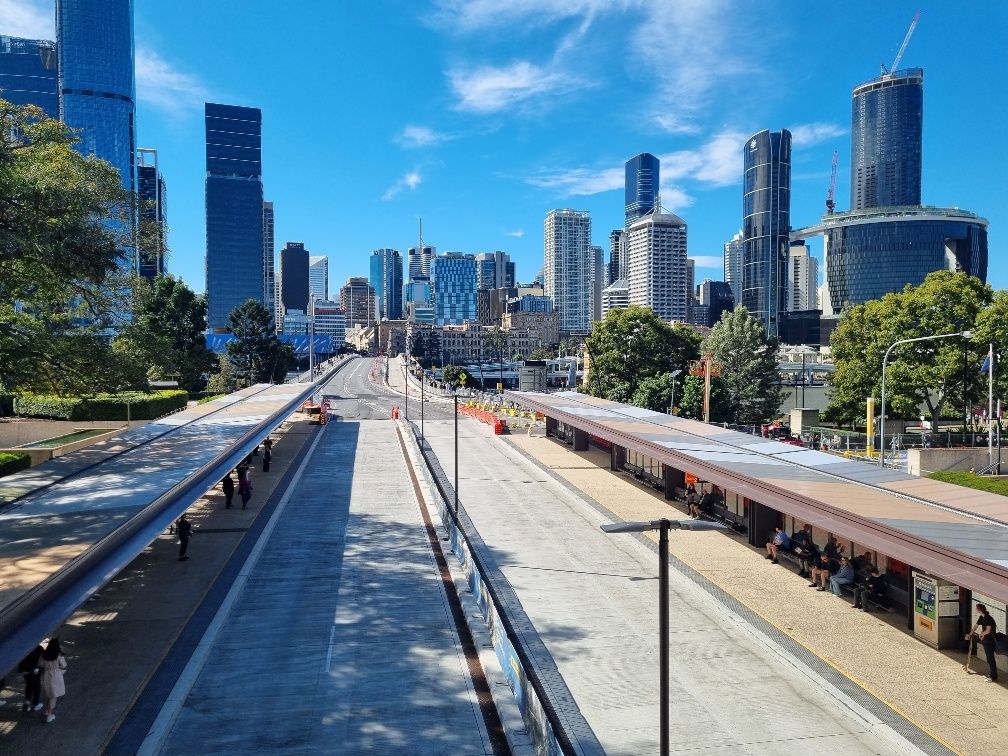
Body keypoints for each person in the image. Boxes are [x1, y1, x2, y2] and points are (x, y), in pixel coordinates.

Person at [966, 603, 999, 682]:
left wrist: (981, 634)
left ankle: (993, 676)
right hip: (986, 639)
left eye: (976, 608)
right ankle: (992, 674)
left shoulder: (988, 618)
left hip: (990, 640)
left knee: (990, 658)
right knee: (989, 657)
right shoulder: (982, 617)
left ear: (979, 609)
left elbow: (988, 630)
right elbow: (976, 626)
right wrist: (970, 634)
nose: (975, 610)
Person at [38, 638, 67, 723]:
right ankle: (50, 715)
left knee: (50, 694)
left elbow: (40, 664)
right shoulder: (59, 655)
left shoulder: (43, 655)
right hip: (56, 676)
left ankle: (47, 710)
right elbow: (64, 665)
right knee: (53, 696)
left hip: (46, 675)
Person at [18, 643, 44, 712]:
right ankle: (35, 703)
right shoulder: (38, 648)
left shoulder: (22, 648)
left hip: (25, 671)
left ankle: (27, 701)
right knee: (36, 686)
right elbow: (43, 658)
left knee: (29, 685)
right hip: (36, 671)